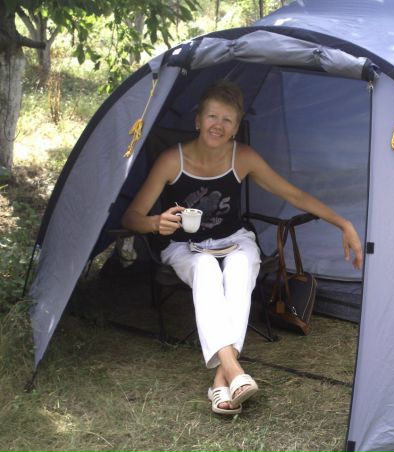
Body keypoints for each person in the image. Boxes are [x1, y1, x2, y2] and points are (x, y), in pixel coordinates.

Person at [122, 80, 363, 415]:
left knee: (239, 268)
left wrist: (344, 223)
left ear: (236, 128)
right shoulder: (171, 160)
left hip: (234, 240)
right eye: (212, 116)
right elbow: (131, 217)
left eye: (227, 120)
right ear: (198, 120)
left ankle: (223, 381)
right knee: (207, 269)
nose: (218, 125)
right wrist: (154, 223)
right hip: (184, 245)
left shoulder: (243, 157)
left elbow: (293, 194)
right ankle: (233, 370)